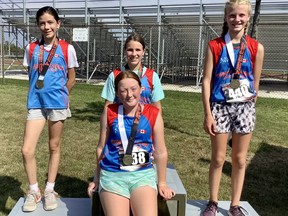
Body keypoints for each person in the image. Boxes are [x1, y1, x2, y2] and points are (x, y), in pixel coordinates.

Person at [201, 0, 264, 216]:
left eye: (241, 15)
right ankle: (213, 201)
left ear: (247, 18)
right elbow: (207, 80)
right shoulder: (215, 46)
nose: (237, 19)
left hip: (244, 107)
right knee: (218, 158)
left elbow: (256, 82)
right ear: (226, 17)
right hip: (219, 106)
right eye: (232, 15)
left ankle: (235, 204)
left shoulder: (257, 47)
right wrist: (208, 113)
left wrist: (250, 107)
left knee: (239, 159)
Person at [87, 70, 175, 216]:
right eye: (123, 90)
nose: (129, 95)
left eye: (133, 89)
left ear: (141, 89)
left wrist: (162, 183)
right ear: (116, 93)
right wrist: (96, 179)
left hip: (142, 175)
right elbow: (101, 148)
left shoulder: (153, 113)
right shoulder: (109, 112)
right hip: (113, 176)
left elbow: (160, 151)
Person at [21, 6, 78, 212]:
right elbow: (32, 75)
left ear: (58, 24)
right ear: (38, 25)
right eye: (42, 23)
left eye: (50, 22)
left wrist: (64, 93)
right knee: (27, 149)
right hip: (36, 103)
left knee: (54, 146)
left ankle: (49, 189)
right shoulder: (31, 48)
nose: (47, 27)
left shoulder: (66, 48)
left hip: (57, 104)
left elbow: (71, 77)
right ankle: (34, 190)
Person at [98, 33, 165, 150]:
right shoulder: (114, 76)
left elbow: (157, 110)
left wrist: (155, 136)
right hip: (121, 131)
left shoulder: (152, 76)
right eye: (130, 50)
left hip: (144, 129)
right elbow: (107, 109)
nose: (134, 54)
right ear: (125, 51)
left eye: (138, 50)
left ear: (144, 52)